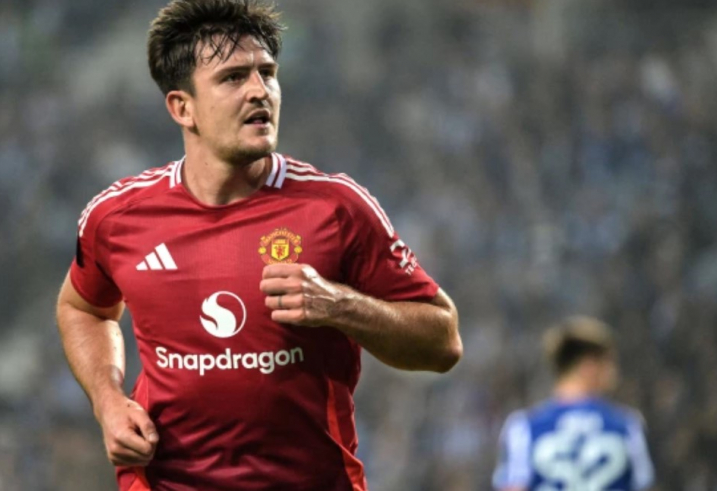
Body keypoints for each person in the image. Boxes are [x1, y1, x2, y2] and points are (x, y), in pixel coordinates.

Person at [54, 1, 462, 490]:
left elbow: (443, 341)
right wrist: (107, 401)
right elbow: (84, 307)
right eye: (232, 78)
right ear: (182, 108)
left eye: (267, 73)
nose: (259, 91)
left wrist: (340, 305)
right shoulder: (117, 217)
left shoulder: (335, 208)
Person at [493, 317, 655, 491]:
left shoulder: (524, 428)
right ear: (589, 366)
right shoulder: (626, 425)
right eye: (610, 363)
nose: (615, 373)